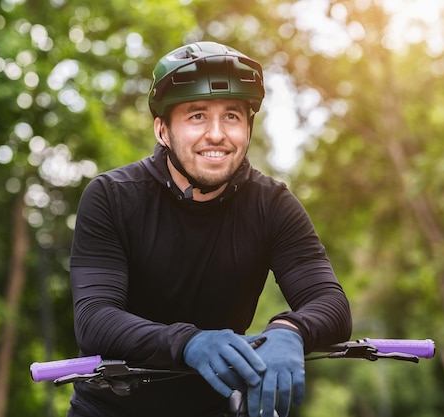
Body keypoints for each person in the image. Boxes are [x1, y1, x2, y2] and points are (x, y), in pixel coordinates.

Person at [66, 41, 352, 417]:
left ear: (248, 128)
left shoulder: (273, 204)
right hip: (108, 410)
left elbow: (331, 304)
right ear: (163, 130)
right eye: (197, 115)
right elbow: (95, 317)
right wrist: (188, 342)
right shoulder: (111, 197)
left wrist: (290, 329)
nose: (217, 134)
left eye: (232, 116)